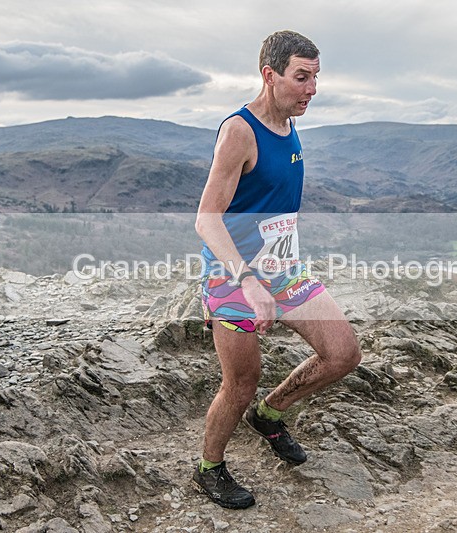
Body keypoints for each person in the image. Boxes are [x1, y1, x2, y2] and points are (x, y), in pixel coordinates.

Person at [193, 30, 362, 509]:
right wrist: (246, 281)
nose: (312, 89)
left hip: (284, 271)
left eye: (316, 77)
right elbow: (207, 219)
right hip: (233, 279)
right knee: (240, 383)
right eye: (301, 77)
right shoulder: (239, 131)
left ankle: (270, 414)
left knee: (343, 353)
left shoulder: (289, 122)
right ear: (269, 75)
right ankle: (209, 467)